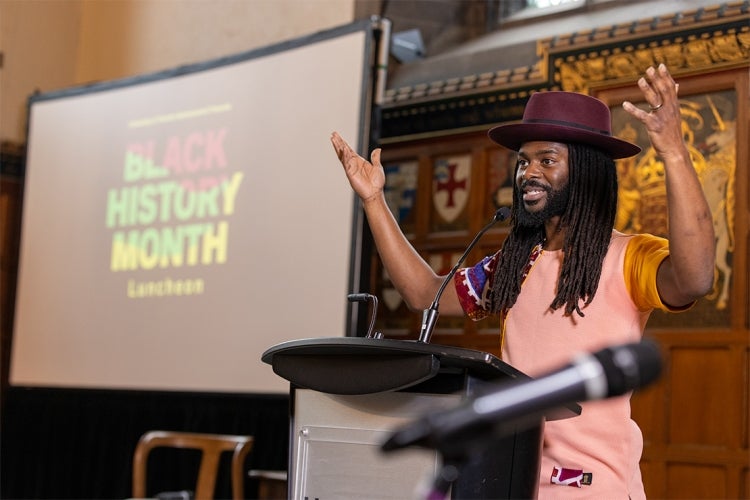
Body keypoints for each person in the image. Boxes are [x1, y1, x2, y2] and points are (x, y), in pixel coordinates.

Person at [330, 63, 715, 499]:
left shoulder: (628, 257)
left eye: (547, 160)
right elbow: (424, 293)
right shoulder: (514, 264)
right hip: (513, 480)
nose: (528, 173)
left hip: (592, 488)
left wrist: (675, 154)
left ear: (586, 171)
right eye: (524, 161)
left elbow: (696, 278)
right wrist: (374, 200)